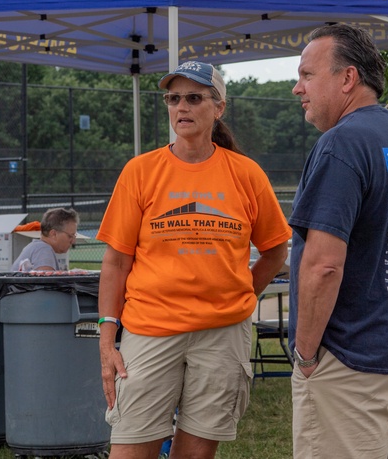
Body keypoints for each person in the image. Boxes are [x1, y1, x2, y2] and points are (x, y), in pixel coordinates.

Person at [96, 60, 291, 459]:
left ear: (219, 108)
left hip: (222, 336)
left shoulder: (246, 174)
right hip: (150, 330)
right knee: (131, 451)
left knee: (197, 454)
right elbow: (116, 263)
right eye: (174, 98)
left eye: (194, 98)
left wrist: (241, 298)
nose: (181, 107)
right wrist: (106, 336)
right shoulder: (140, 171)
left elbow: (275, 250)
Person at [288, 24, 388, 459]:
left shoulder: (343, 143)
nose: (298, 88)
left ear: (348, 78)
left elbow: (323, 265)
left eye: (307, 75)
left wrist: (307, 354)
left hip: (350, 363)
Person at [10, 207, 78, 272]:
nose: (73, 241)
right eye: (70, 236)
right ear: (53, 234)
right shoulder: (43, 249)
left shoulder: (37, 247)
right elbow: (46, 282)